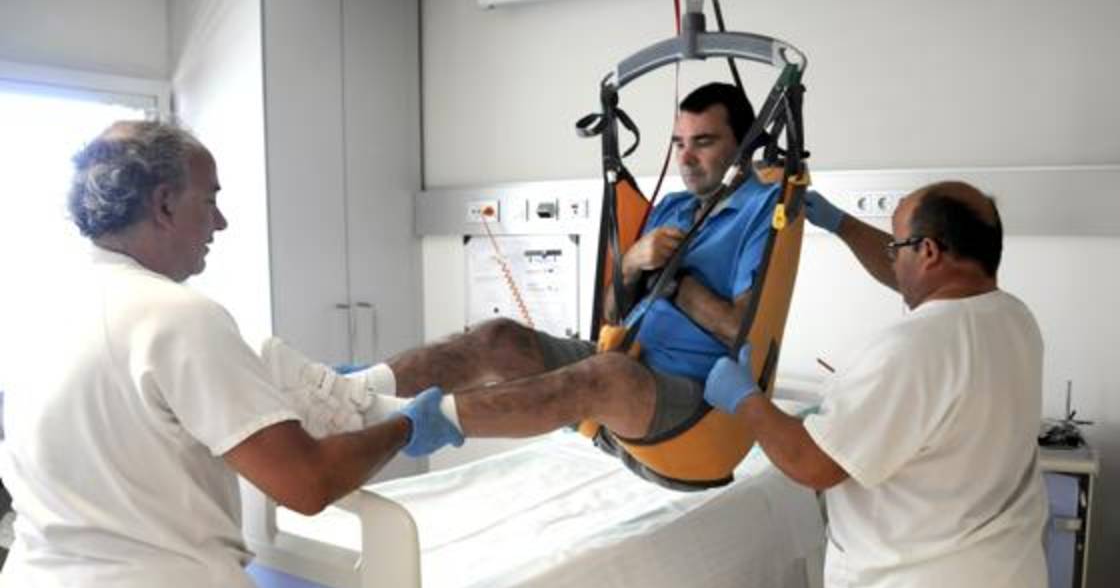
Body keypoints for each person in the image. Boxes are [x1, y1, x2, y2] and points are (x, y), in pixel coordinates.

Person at [0, 121, 424, 588]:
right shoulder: (177, 315)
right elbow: (307, 483)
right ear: (164, 204)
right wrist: (407, 427)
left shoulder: (39, 308)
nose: (220, 222)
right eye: (209, 200)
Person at [263, 82, 781, 487]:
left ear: (742, 146)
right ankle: (354, 393)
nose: (686, 158)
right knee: (498, 337)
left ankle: (407, 425)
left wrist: (675, 282)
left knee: (606, 373)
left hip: (691, 409)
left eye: (704, 142)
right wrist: (631, 265)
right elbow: (611, 315)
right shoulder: (670, 208)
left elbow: (745, 329)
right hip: (625, 366)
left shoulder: (762, 213)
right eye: (679, 144)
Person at [702, 182, 1048, 588]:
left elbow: (813, 464)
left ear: (928, 251)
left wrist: (745, 399)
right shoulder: (1013, 317)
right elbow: (917, 280)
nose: (891, 256)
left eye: (896, 245)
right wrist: (842, 225)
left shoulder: (912, 348)